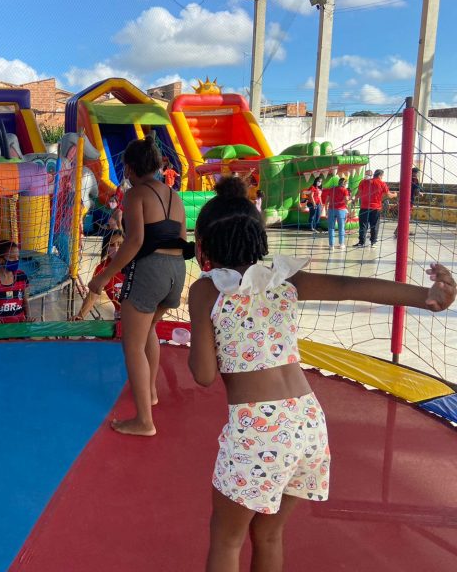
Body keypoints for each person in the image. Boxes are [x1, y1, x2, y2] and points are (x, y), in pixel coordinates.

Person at [188, 177, 456, 572]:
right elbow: (349, 286)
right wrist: (427, 296)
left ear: (203, 247)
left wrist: (205, 336)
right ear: (258, 239)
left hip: (259, 426)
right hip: (307, 421)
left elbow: (204, 374)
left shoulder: (207, 291)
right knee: (269, 534)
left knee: (226, 539)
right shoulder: (284, 280)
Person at [88, 136, 190, 436]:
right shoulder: (175, 196)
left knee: (132, 344)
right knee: (148, 332)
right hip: (176, 270)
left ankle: (144, 421)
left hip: (151, 270)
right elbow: (183, 241)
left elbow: (134, 242)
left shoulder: (136, 195)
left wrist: (103, 277)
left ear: (130, 168)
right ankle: (151, 393)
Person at [74, 230, 125, 321]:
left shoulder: (137, 266)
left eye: (120, 244)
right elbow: (92, 295)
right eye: (112, 245)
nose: (116, 248)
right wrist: (80, 316)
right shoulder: (102, 269)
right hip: (120, 316)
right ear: (106, 247)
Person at [354, 169, 396, 248]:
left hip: (364, 207)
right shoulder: (382, 183)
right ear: (380, 175)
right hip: (375, 208)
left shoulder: (363, 182)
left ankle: (361, 242)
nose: (382, 177)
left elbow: (358, 193)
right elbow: (389, 195)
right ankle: (373, 242)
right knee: (374, 225)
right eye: (382, 176)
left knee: (363, 225)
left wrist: (355, 199)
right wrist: (395, 194)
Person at [322, 177, 350, 250]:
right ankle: (341, 244)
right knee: (341, 228)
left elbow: (327, 201)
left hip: (331, 210)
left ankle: (331, 245)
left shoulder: (332, 189)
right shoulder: (345, 190)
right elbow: (346, 201)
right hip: (341, 210)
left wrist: (326, 210)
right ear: (344, 183)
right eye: (346, 183)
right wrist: (351, 200)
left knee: (331, 228)